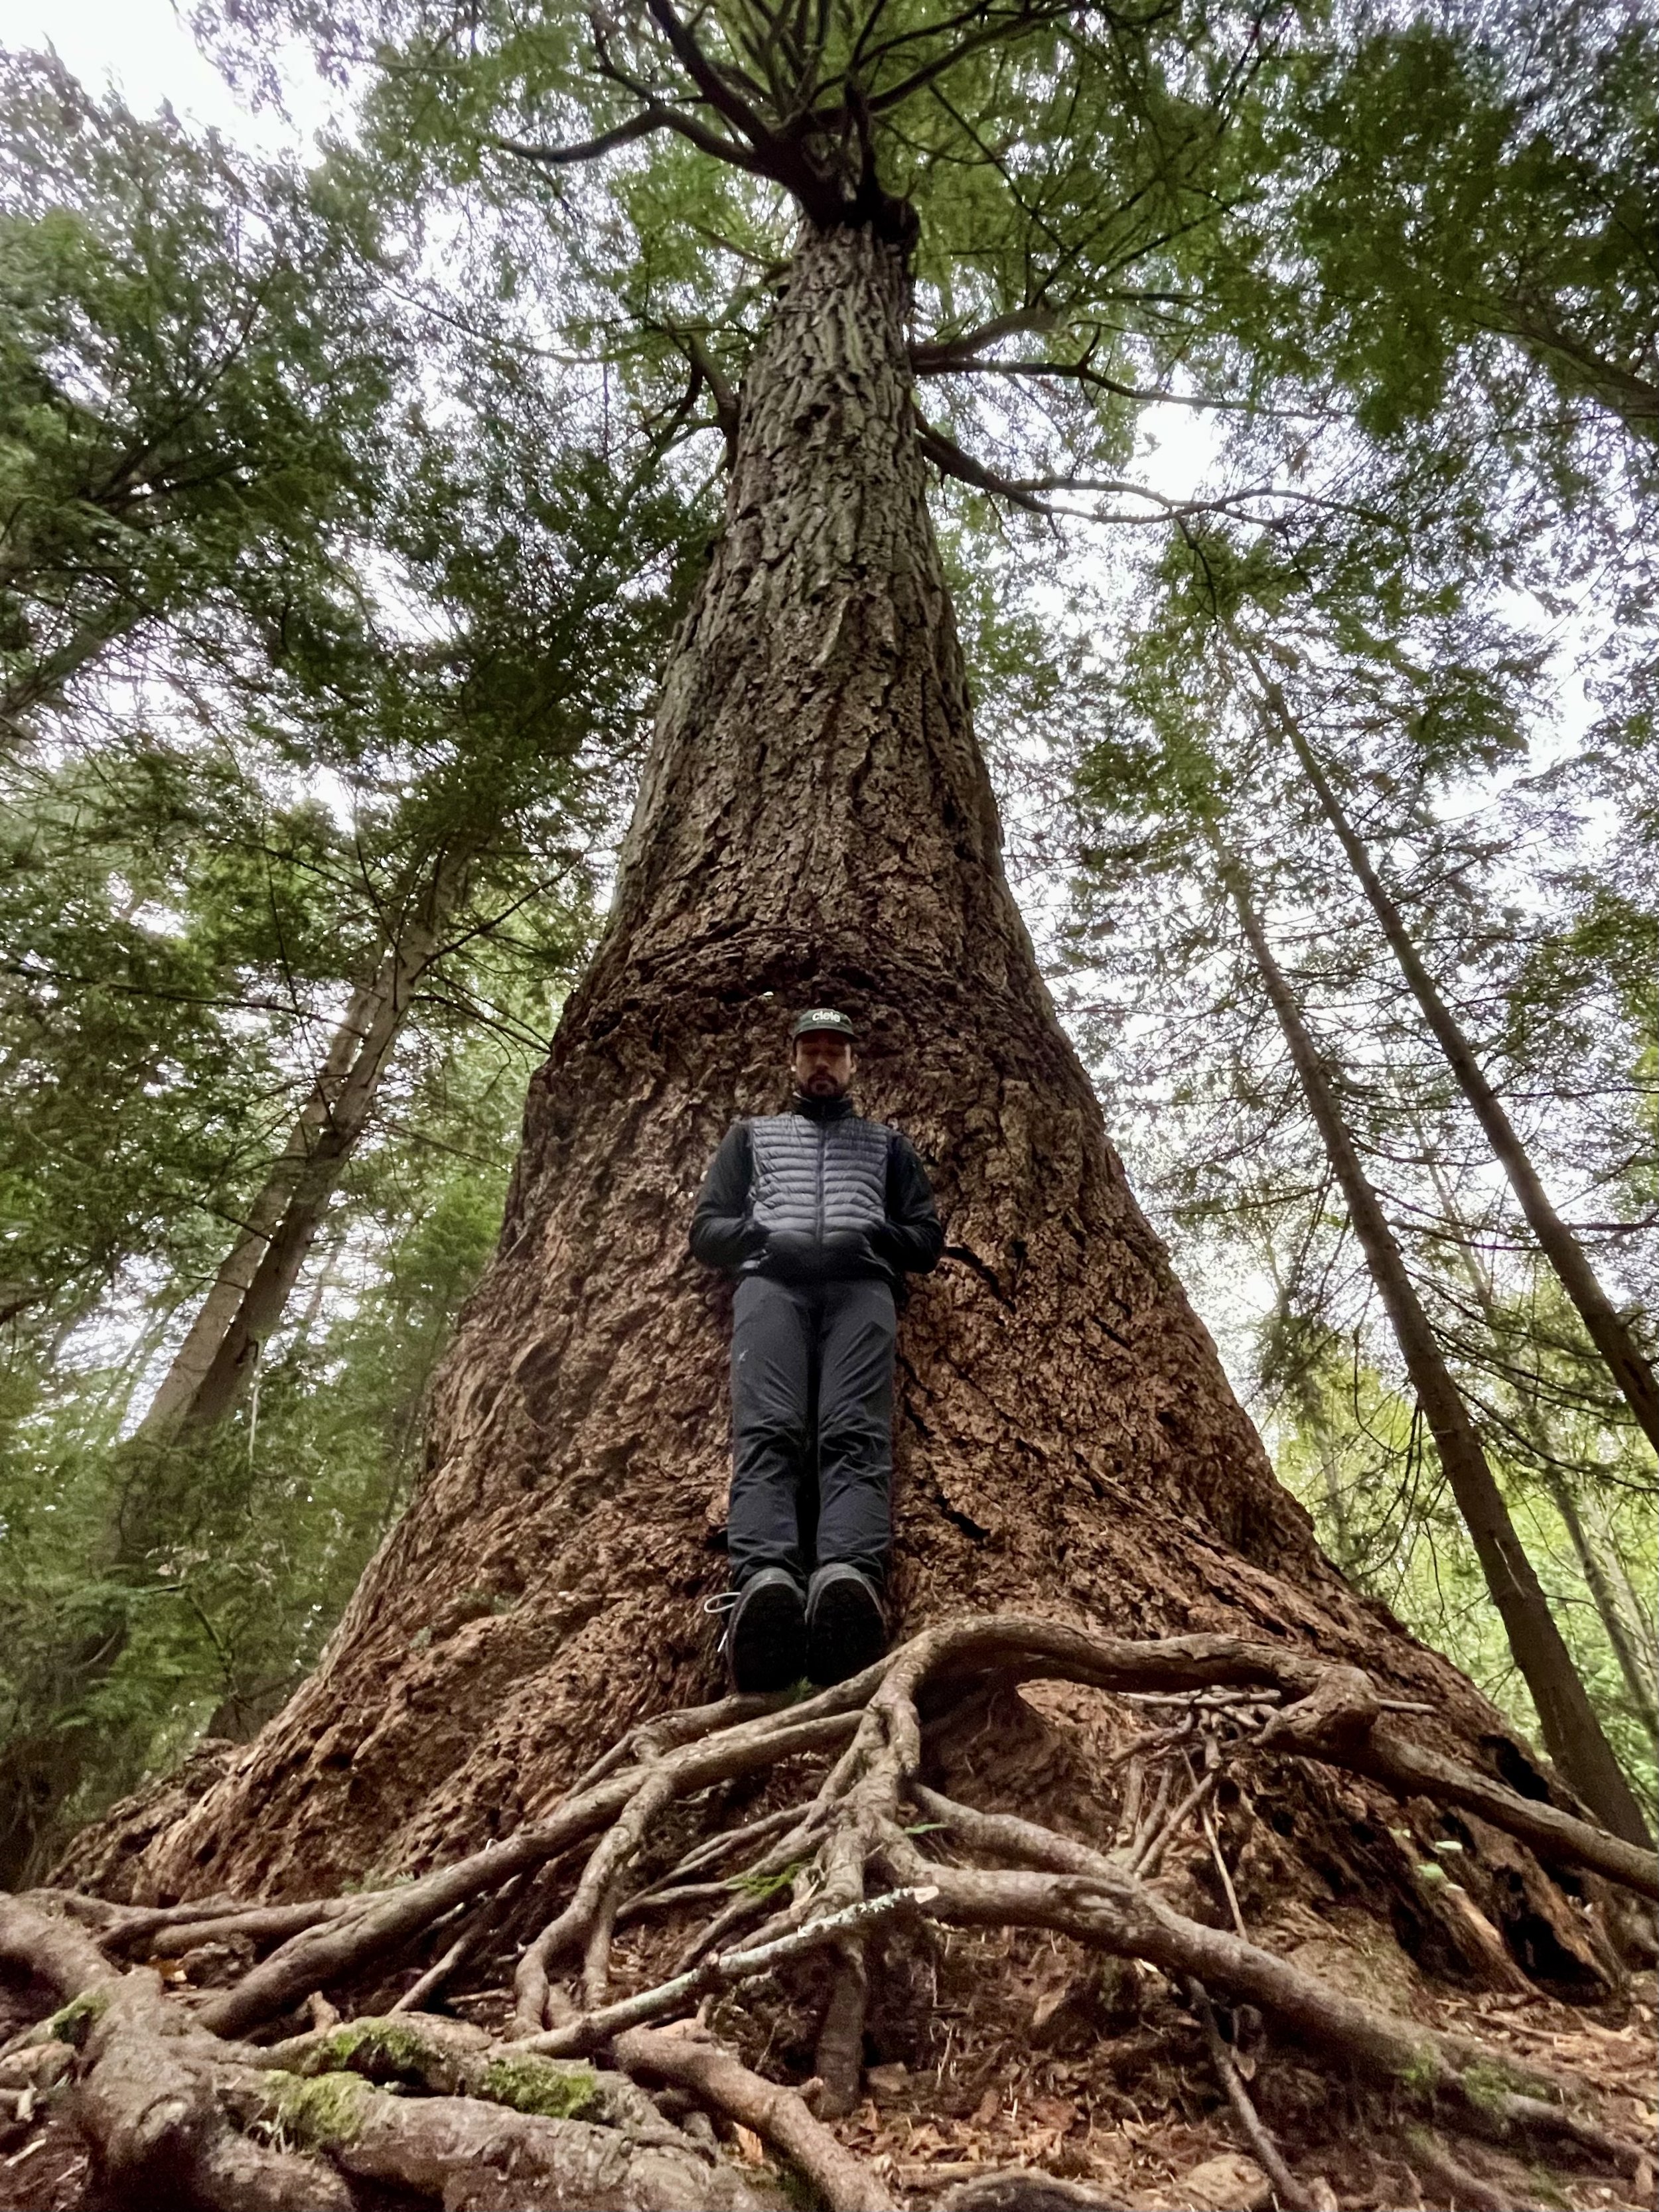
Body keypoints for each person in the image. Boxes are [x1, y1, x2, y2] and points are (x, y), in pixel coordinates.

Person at [691, 1008, 943, 1691]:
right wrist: (763, 1235)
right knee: (769, 1434)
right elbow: (706, 1232)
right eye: (811, 1052)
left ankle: (847, 1583)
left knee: (853, 1436)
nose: (823, 1062)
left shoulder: (887, 1146)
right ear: (793, 1062)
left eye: (835, 1051)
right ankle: (763, 1585)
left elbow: (926, 1240)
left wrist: (872, 1235)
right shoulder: (752, 1138)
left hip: (861, 1292)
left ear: (853, 1063)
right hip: (771, 1289)